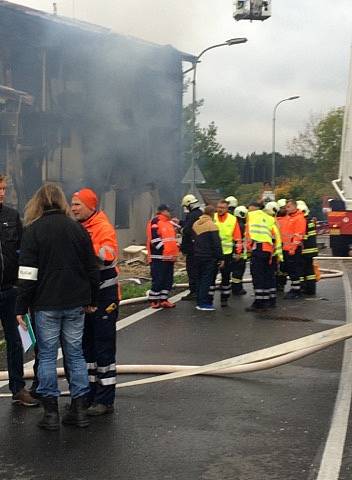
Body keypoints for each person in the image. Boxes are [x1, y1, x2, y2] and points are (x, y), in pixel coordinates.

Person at [16, 183, 99, 430]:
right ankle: (79, 410)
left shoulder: (33, 231)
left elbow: (28, 274)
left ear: (38, 203)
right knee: (75, 355)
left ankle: (51, 413)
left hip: (45, 304)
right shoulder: (77, 230)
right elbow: (92, 268)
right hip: (75, 303)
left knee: (48, 357)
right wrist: (92, 300)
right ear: (61, 202)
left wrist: (21, 307)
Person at [71, 188, 119, 416]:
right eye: (72, 204)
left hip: (105, 298)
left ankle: (105, 399)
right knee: (87, 348)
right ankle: (90, 393)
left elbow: (108, 255)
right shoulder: (81, 227)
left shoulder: (103, 227)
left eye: (77, 204)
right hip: (87, 297)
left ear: (91, 206)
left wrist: (83, 247)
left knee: (103, 347)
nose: (73, 208)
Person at [0, 174, 38, 407]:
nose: (2, 192)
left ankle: (18, 388)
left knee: (16, 341)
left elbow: (23, 255)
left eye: (4, 188)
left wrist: (24, 288)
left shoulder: (12, 217)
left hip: (9, 290)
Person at [245, 202, 280, 311]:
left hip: (259, 249)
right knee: (268, 276)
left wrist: (248, 248)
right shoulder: (271, 219)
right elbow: (276, 236)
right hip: (270, 250)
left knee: (258, 276)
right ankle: (270, 300)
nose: (249, 211)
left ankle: (260, 302)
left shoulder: (253, 217)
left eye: (250, 209)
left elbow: (248, 235)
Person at [146, 204, 179, 308]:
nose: (170, 213)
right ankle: (154, 300)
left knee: (168, 280)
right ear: (163, 211)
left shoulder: (169, 223)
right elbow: (154, 239)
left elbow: (172, 239)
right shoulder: (155, 222)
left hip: (170, 257)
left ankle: (164, 299)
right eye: (169, 211)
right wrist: (163, 250)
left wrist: (174, 251)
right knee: (158, 279)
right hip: (158, 257)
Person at [192, 205, 224, 311]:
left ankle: (199, 302)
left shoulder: (196, 224)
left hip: (197, 256)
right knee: (207, 280)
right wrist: (221, 258)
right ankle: (204, 303)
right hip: (208, 257)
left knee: (199, 279)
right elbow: (216, 244)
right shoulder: (212, 225)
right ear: (212, 214)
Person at [212, 200, 242, 307]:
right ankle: (209, 299)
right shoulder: (212, 217)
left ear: (227, 208)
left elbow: (237, 238)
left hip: (227, 253)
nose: (220, 209)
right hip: (214, 253)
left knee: (225, 277)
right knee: (211, 276)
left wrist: (238, 252)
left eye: (223, 207)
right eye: (219, 207)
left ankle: (224, 299)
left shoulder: (232, 219)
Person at [280, 199, 306, 299]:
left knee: (294, 270)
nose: (287, 209)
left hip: (293, 249)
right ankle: (295, 288)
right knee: (291, 270)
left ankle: (296, 290)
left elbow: (298, 235)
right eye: (286, 207)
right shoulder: (289, 218)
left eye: (289, 207)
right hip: (287, 248)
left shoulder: (299, 218)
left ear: (295, 206)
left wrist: (292, 248)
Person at [180, 194, 203, 301]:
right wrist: (180, 223)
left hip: (192, 249)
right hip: (200, 248)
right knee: (199, 270)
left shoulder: (192, 215)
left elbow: (187, 231)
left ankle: (194, 291)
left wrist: (181, 229)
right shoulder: (200, 214)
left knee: (192, 270)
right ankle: (199, 291)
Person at [263, 201, 283, 307]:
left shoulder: (270, 222)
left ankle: (269, 299)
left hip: (270, 254)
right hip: (273, 254)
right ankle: (272, 298)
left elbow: (273, 239)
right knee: (271, 277)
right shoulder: (275, 221)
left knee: (267, 277)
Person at [297, 200, 318, 295]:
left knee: (301, 270)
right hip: (311, 250)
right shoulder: (309, 221)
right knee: (310, 271)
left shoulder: (302, 221)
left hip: (303, 250)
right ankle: (311, 289)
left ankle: (302, 288)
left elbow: (301, 237)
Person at [231, 205, 248, 296]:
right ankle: (237, 289)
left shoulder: (234, 223)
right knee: (238, 272)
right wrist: (239, 252)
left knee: (235, 272)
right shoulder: (241, 226)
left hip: (233, 251)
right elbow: (240, 240)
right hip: (239, 252)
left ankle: (236, 287)